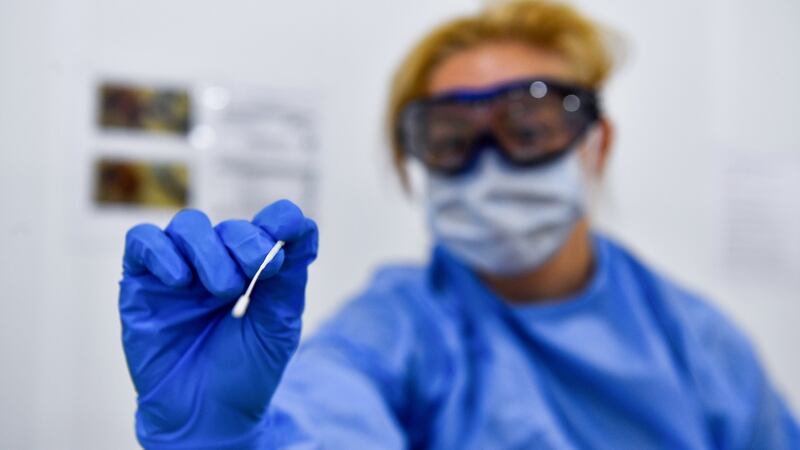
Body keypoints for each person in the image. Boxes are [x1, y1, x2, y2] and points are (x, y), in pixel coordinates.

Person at [118, 1, 800, 448]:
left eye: (529, 127)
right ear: (415, 162)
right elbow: (330, 410)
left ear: (597, 145)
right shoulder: (397, 328)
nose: (490, 165)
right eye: (449, 137)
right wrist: (239, 440)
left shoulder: (697, 342)